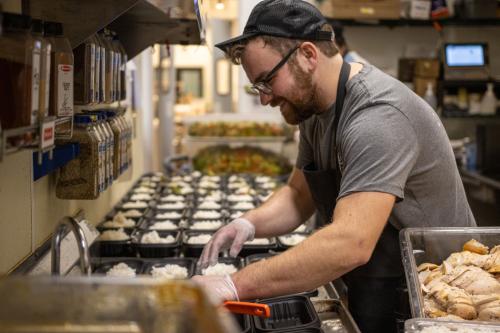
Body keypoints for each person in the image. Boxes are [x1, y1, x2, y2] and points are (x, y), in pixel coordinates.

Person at [192, 1, 476, 332]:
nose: (264, 99)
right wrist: (247, 224)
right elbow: (298, 196)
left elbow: (350, 242)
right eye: (257, 86)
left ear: (308, 55)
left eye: (267, 81)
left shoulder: (377, 116)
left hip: (436, 297)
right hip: (376, 283)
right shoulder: (313, 111)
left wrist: (235, 285)